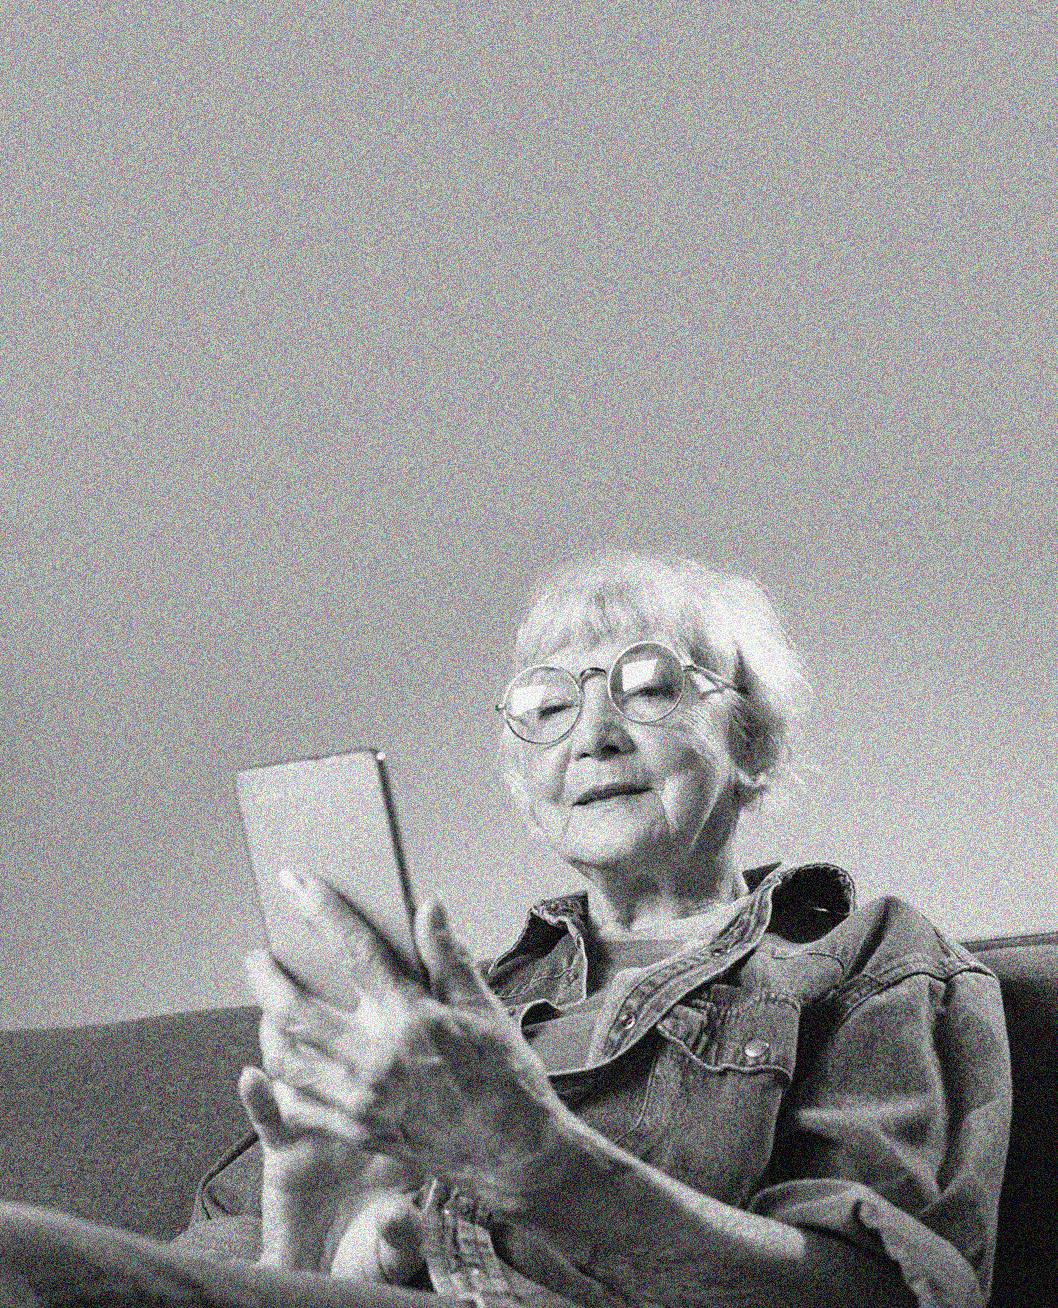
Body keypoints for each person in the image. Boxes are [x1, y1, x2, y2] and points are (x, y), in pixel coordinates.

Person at [173, 552, 1011, 1308]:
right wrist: (299, 1262)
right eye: (548, 705)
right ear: (526, 789)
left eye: (649, 689)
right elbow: (189, 1265)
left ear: (751, 745)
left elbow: (879, 1293)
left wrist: (537, 1162)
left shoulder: (871, 958)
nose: (593, 736)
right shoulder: (448, 1012)